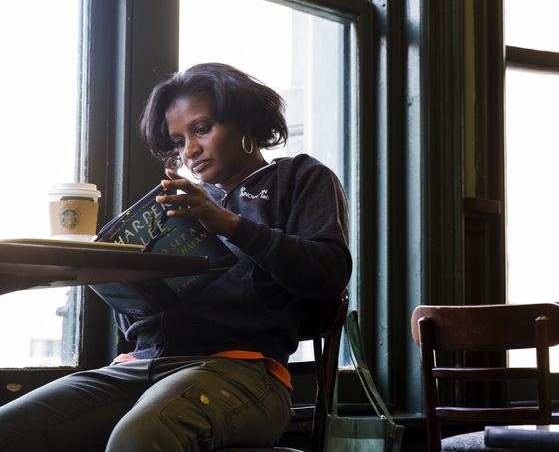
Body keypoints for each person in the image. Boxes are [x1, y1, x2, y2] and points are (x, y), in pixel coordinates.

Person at [0, 62, 352, 451]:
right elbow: (134, 321)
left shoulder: (299, 178)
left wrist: (232, 226)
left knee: (141, 437)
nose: (191, 150)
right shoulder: (174, 206)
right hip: (140, 365)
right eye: (179, 141)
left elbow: (330, 274)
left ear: (245, 122)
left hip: (245, 370)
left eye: (202, 129)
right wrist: (131, 281)